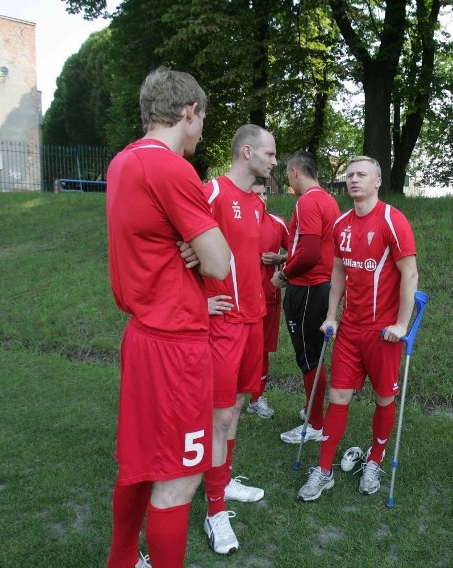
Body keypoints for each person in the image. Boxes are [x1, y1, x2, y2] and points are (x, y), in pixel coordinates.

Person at [105, 67, 230, 568]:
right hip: (176, 343)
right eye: (201, 119)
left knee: (139, 464)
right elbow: (221, 262)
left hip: (142, 333)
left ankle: (120, 560)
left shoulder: (122, 162)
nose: (201, 131)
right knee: (178, 477)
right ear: (187, 113)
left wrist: (190, 247)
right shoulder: (172, 168)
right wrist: (202, 250)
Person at [297, 156, 418, 502]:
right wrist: (332, 314)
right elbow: (338, 272)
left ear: (378, 181)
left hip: (383, 333)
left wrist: (401, 324)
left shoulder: (393, 221)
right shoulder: (341, 224)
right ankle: (323, 471)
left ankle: (375, 460)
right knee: (338, 397)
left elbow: (410, 274)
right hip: (349, 329)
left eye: (361, 174)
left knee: (384, 397)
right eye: (349, 175)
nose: (354, 180)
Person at [199, 125, 277, 555]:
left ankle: (223, 480)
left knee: (240, 406)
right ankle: (213, 511)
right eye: (269, 153)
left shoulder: (256, 202)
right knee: (219, 417)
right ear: (247, 152)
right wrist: (198, 303)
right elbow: (178, 250)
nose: (274, 161)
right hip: (223, 324)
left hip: (253, 320)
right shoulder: (211, 192)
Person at [271, 150, 341, 444]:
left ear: (296, 172)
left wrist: (284, 274)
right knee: (313, 352)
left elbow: (311, 254)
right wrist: (287, 256)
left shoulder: (307, 202)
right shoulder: (329, 200)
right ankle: (311, 410)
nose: (287, 178)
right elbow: (317, 247)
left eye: (287, 173)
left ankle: (315, 425)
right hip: (322, 286)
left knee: (308, 355)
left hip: (308, 287)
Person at [247, 180, 290, 419]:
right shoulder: (235, 221)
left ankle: (256, 398)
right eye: (256, 194)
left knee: (262, 351)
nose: (262, 198)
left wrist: (280, 258)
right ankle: (229, 396)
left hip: (269, 299)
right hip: (240, 300)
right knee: (237, 351)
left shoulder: (278, 223)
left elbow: (299, 251)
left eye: (264, 193)